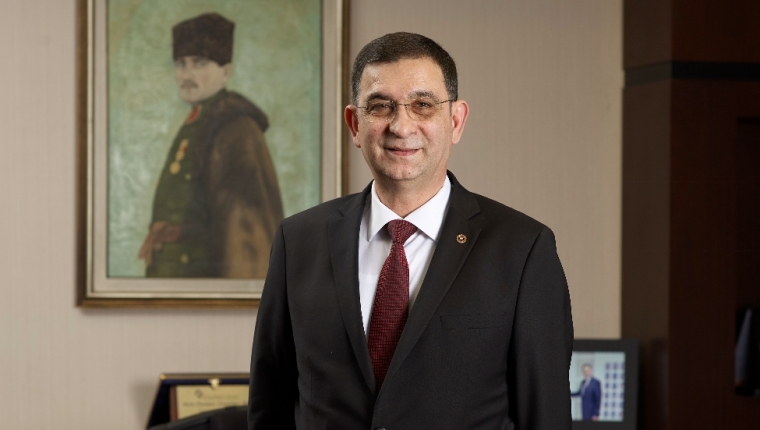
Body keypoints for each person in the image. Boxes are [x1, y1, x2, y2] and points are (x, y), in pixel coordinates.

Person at [249, 32, 573, 429]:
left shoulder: (522, 249)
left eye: (422, 105)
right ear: (354, 124)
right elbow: (270, 406)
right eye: (380, 106)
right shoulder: (298, 241)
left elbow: (545, 415)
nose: (401, 127)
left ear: (455, 121)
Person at [138, 13, 284, 279]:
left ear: (226, 72)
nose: (187, 74)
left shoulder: (236, 128)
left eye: (200, 63)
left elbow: (247, 233)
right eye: (181, 64)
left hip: (207, 285)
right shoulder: (200, 121)